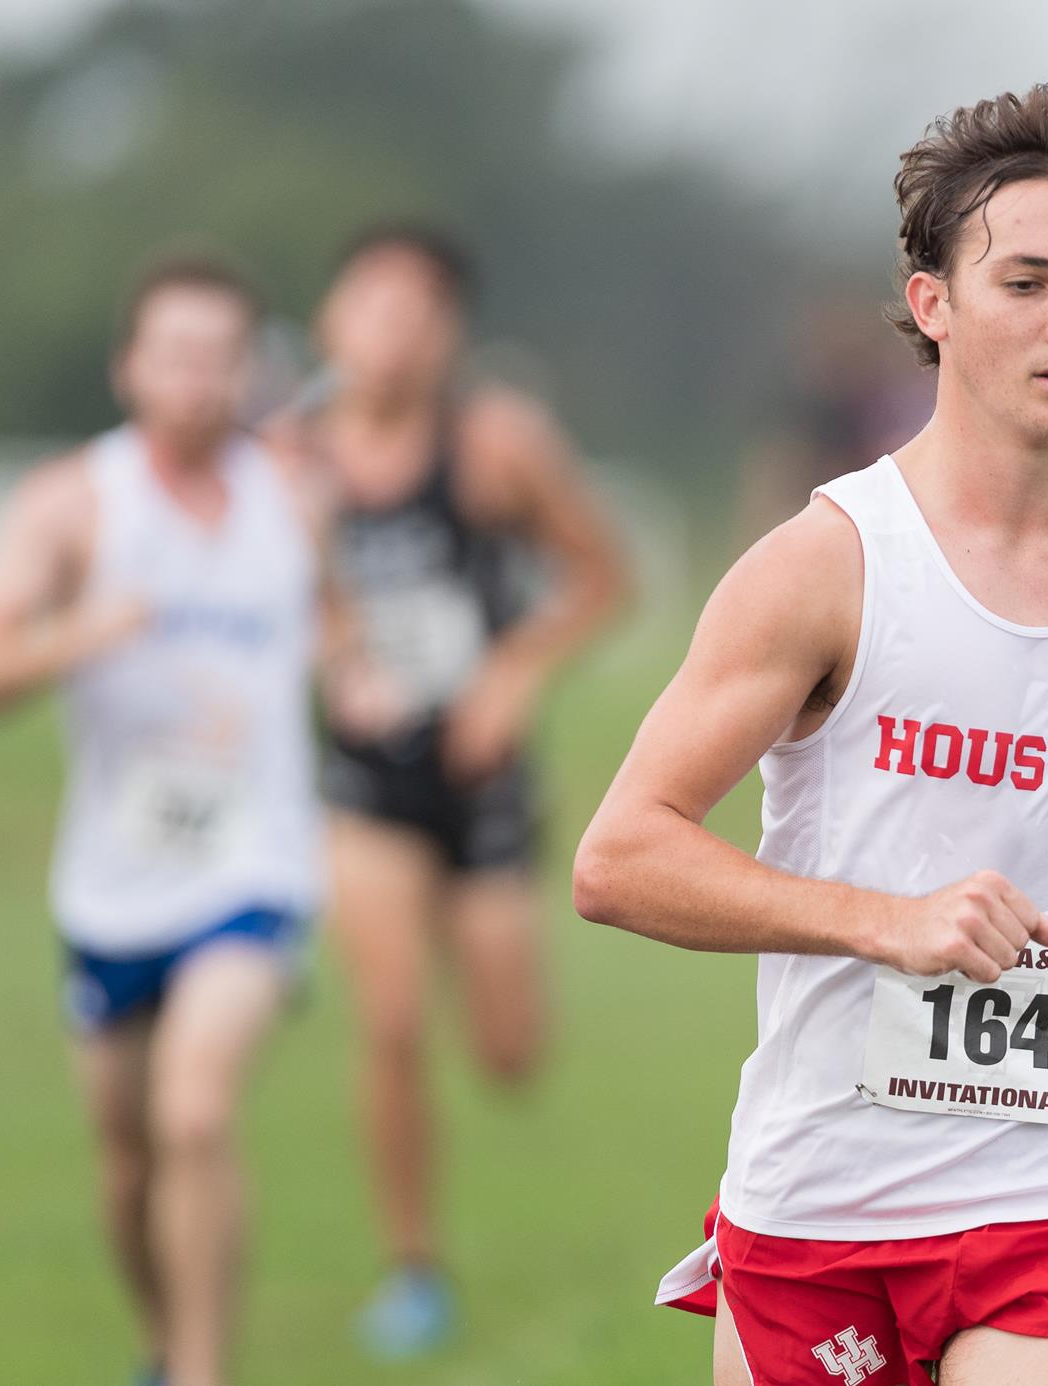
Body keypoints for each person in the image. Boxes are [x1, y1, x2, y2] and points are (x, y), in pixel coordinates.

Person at [575, 81, 1048, 1386]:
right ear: (933, 304)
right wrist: (886, 919)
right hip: (823, 1199)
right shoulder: (825, 565)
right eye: (1026, 281)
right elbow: (620, 857)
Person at [0, 252, 324, 1386]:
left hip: (256, 866)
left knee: (195, 1114)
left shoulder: (298, 496)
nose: (198, 379)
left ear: (248, 370)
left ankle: (201, 1375)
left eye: (221, 357)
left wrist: (358, 678)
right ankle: (165, 1345)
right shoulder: (73, 502)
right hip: (111, 882)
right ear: (129, 368)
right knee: (127, 1166)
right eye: (175, 355)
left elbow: (341, 623)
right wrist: (79, 633)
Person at [268, 223, 629, 1357]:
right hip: (365, 774)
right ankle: (413, 1273)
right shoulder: (289, 455)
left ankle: (482, 985)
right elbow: (282, 598)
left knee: (508, 1052)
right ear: (329, 319)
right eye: (369, 303)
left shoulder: (493, 442)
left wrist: (514, 678)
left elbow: (602, 575)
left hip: (480, 774)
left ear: (449, 333)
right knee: (384, 1017)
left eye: (419, 309)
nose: (392, 329)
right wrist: (339, 662)